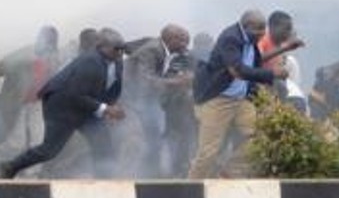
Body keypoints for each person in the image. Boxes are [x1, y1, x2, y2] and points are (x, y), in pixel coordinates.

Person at [0, 28, 127, 179]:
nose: (120, 53)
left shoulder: (117, 62)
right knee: (49, 150)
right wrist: (106, 109)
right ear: (102, 47)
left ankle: (105, 181)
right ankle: (10, 167)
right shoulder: (90, 61)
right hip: (63, 107)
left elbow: (112, 87)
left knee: (103, 146)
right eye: (117, 49)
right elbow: (75, 95)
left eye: (123, 49)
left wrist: (110, 107)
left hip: (88, 107)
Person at [189, 10, 295, 179]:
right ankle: (190, 189)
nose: (262, 34)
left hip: (241, 99)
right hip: (219, 99)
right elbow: (237, 71)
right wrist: (272, 74)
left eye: (263, 29)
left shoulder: (251, 39)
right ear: (245, 26)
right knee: (208, 151)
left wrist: (286, 49)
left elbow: (256, 62)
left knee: (262, 137)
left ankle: (228, 170)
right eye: (258, 29)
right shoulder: (230, 38)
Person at [0, 26, 61, 164]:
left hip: (37, 103)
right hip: (16, 102)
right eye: (47, 42)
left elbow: (55, 76)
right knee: (17, 143)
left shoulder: (53, 57)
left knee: (38, 143)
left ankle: (30, 176)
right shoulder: (23, 56)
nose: (49, 48)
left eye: (52, 44)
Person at [123, 24, 193, 177]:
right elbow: (145, 79)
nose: (186, 47)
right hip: (134, 100)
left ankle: (153, 172)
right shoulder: (152, 50)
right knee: (151, 139)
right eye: (183, 42)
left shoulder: (163, 49)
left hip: (149, 99)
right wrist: (176, 82)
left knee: (157, 137)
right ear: (171, 39)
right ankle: (144, 174)